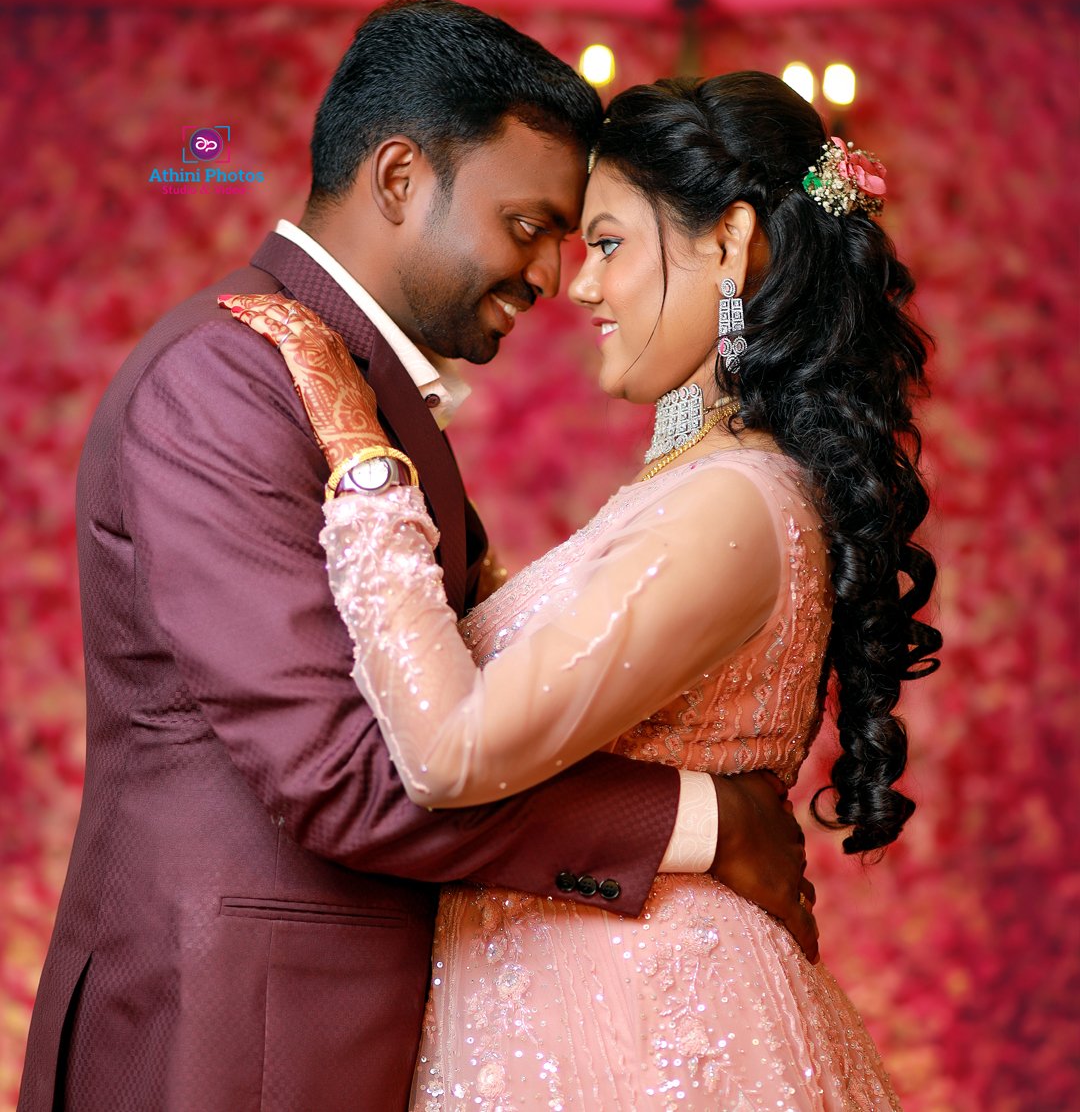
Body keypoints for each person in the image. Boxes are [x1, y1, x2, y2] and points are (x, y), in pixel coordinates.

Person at [19, 1, 815, 1112]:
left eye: (581, 237)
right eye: (531, 223)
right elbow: (343, 776)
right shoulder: (229, 382)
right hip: (234, 1038)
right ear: (400, 177)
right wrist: (699, 821)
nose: (553, 276)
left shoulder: (360, 398)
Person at [224, 69, 942, 1109]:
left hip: (652, 1034)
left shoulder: (732, 504)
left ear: (729, 245)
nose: (581, 286)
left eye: (608, 243)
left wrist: (363, 459)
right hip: (582, 1011)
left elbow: (448, 751)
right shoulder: (697, 489)